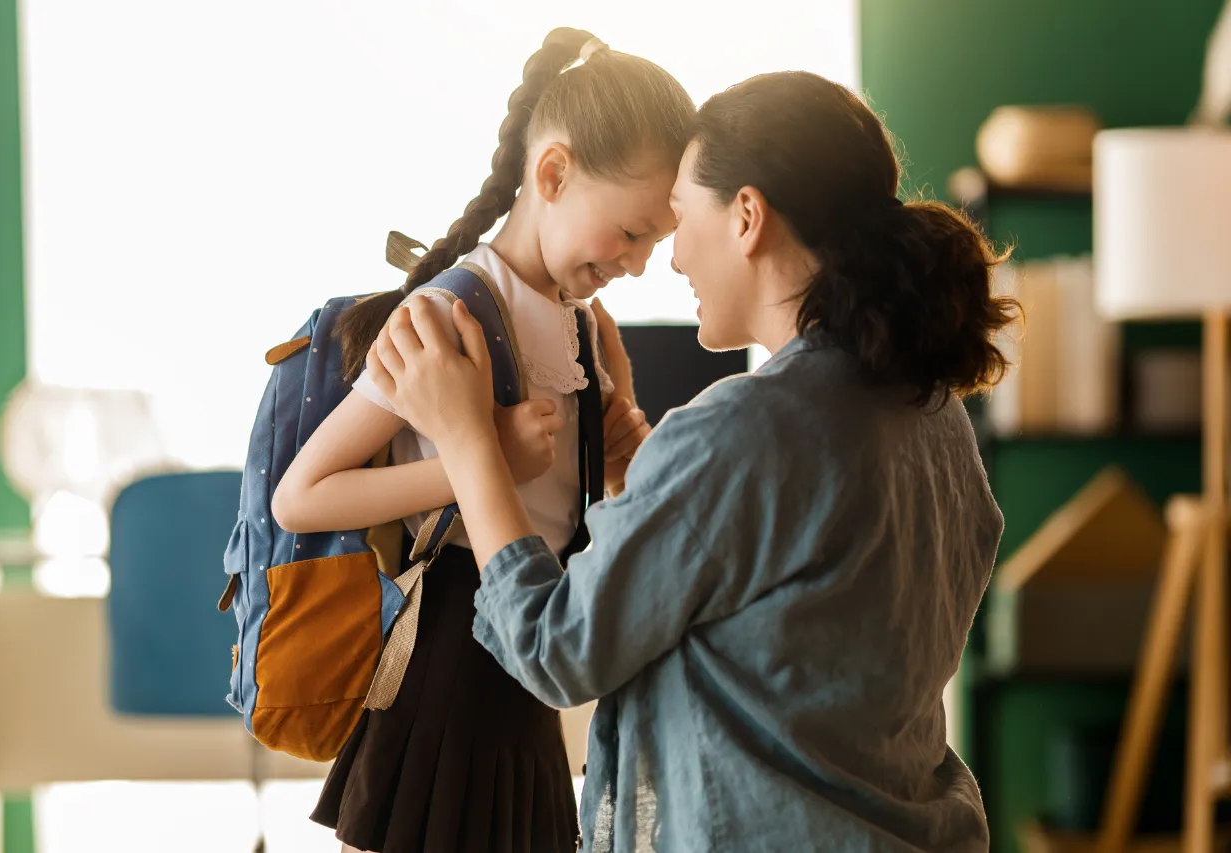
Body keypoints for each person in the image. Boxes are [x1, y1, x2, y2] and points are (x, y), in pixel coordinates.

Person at [365, 70, 1017, 852]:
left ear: (747, 216)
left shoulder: (740, 429)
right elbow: (798, 616)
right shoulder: (935, 416)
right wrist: (647, 478)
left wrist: (468, 440)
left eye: (678, 217)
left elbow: (554, 646)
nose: (668, 260)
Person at [268, 27, 695, 853]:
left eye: (656, 242)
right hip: (442, 673)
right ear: (553, 174)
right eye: (631, 232)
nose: (641, 263)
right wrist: (480, 460)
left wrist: (620, 439)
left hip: (526, 666)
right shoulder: (445, 317)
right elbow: (302, 496)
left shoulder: (581, 326)